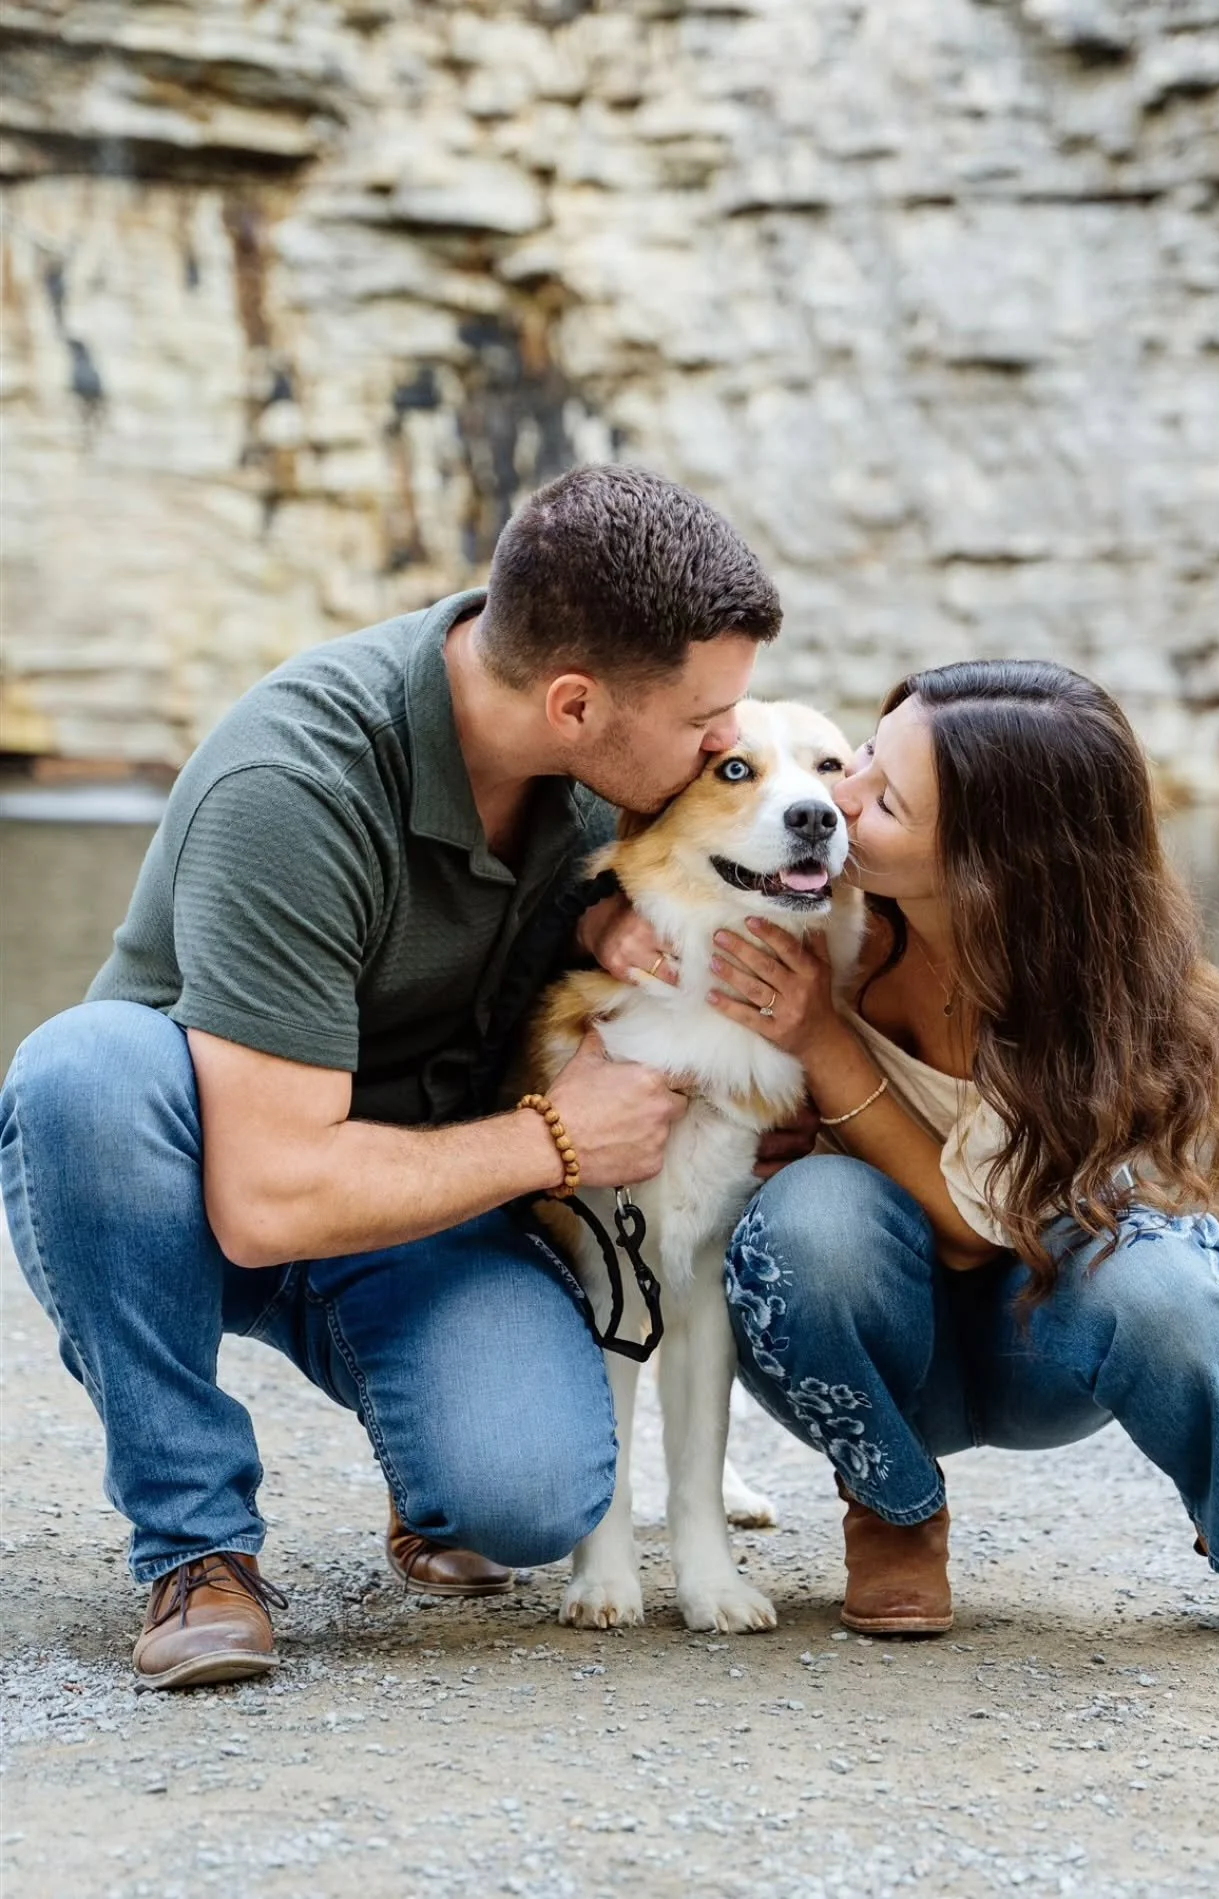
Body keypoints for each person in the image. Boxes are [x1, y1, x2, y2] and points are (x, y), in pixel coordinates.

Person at [0, 464, 801, 1690]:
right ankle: (196, 1545)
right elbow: (267, 1199)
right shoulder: (297, 783)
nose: (728, 742)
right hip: (204, 1171)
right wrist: (562, 1141)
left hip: (427, 1204)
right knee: (80, 1074)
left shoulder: (599, 775)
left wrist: (598, 925)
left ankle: (426, 1463)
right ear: (577, 705)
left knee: (526, 1497)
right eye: (707, 722)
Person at [708, 661, 1219, 1661]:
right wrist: (611, 925)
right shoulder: (807, 912)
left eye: (886, 795)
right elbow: (646, 857)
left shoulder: (1087, 992)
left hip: (1046, 1343)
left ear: (987, 862)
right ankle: (893, 1507)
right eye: (865, 753)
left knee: (1160, 1262)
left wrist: (824, 1050)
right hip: (870, 1342)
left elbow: (973, 1225)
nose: (839, 794)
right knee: (805, 1219)